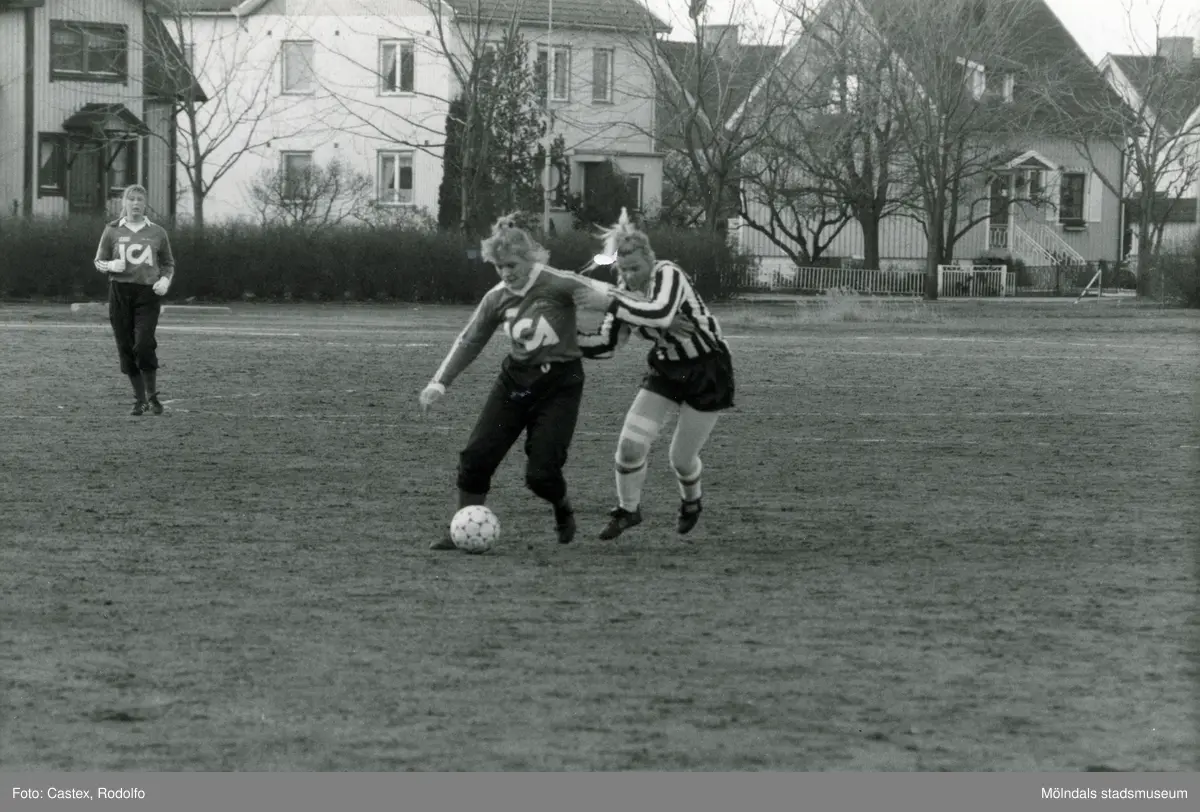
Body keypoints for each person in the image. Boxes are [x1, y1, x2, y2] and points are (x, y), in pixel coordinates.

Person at [419, 214, 613, 550]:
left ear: (530, 259)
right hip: (515, 381)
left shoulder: (559, 283)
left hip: (560, 384)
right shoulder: (496, 298)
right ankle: (462, 526)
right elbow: (470, 340)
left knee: (541, 474)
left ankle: (562, 506)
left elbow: (617, 299)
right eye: (499, 267)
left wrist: (609, 303)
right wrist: (439, 383)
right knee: (475, 457)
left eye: (511, 265)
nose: (506, 273)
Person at [578, 208, 735, 540]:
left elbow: (660, 310)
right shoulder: (624, 294)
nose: (630, 275)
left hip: (707, 369)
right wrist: (563, 340)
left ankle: (692, 502)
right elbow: (606, 345)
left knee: (681, 459)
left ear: (650, 261)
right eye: (624, 269)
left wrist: (612, 303)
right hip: (666, 369)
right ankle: (628, 510)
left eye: (635, 268)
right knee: (629, 447)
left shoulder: (668, 273)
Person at [93, 185, 175, 415]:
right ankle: (140, 399)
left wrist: (165, 280)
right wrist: (111, 265)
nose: (136, 203)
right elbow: (98, 261)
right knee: (126, 346)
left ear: (145, 203)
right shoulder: (112, 230)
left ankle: (152, 396)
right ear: (125, 203)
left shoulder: (158, 232)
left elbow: (168, 263)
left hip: (147, 294)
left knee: (144, 343)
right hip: (120, 292)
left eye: (140, 199)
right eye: (131, 199)